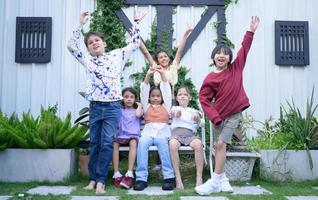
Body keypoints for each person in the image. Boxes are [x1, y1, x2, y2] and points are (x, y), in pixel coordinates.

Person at [67, 11, 145, 194]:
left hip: (112, 107)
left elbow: (135, 43)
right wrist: (79, 24)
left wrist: (136, 22)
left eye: (97, 40)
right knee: (94, 143)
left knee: (107, 143)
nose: (94, 43)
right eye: (90, 43)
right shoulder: (87, 60)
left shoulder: (117, 55)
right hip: (95, 106)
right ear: (87, 48)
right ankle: (92, 180)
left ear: (104, 43)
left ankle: (101, 181)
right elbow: (71, 46)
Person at [195, 16, 260, 195]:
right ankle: (223, 179)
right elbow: (204, 99)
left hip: (234, 114)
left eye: (225, 53)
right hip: (218, 117)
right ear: (214, 58)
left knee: (222, 144)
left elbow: (244, 49)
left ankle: (214, 182)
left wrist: (251, 31)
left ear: (229, 57)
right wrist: (214, 117)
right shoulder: (210, 78)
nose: (222, 55)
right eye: (218, 53)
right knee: (218, 147)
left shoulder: (236, 68)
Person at [133, 66, 175, 191]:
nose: (155, 98)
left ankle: (169, 177)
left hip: (162, 132)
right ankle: (141, 178)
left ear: (162, 98)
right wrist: (148, 75)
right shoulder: (146, 107)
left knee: (162, 143)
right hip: (148, 132)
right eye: (153, 96)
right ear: (149, 97)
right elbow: (143, 90)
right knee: (142, 143)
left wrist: (162, 73)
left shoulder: (166, 106)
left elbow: (166, 89)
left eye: (158, 96)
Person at [169, 86, 204, 189]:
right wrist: (177, 113)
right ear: (176, 98)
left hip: (190, 135)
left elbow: (200, 123)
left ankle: (199, 177)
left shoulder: (193, 111)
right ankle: (178, 178)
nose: (182, 96)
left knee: (198, 144)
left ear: (190, 97)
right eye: (180, 94)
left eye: (185, 94)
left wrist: (197, 119)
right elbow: (174, 114)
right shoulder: (175, 108)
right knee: (172, 144)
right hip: (177, 135)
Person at [112, 87, 142, 189]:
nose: (129, 99)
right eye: (126, 97)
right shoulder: (119, 111)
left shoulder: (136, 110)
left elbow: (138, 115)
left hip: (133, 136)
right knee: (115, 144)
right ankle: (116, 173)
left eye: (132, 97)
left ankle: (129, 173)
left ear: (135, 99)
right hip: (121, 136)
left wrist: (140, 105)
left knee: (133, 143)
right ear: (122, 99)